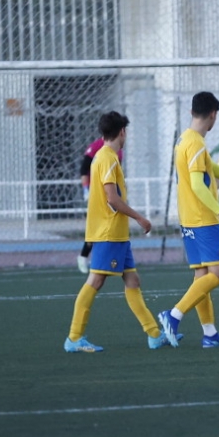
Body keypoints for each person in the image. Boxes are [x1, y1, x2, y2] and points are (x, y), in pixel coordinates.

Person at [158, 92, 219, 348]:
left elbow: (211, 168)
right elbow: (198, 185)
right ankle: (174, 315)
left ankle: (210, 334)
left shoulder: (184, 140)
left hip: (189, 219)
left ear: (193, 112)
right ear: (213, 115)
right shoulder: (196, 143)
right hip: (204, 219)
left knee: (201, 277)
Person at [64, 112, 162, 353]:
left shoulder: (107, 157)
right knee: (95, 280)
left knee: (132, 279)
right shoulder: (107, 158)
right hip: (108, 232)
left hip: (117, 234)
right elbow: (112, 199)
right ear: (122, 132)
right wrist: (140, 218)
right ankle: (74, 337)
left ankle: (155, 334)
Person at [76, 134, 109, 275]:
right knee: (96, 228)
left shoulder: (118, 150)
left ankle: (103, 258)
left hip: (108, 192)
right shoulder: (97, 146)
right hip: (95, 193)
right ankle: (83, 256)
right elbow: (84, 169)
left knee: (108, 227)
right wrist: (86, 190)